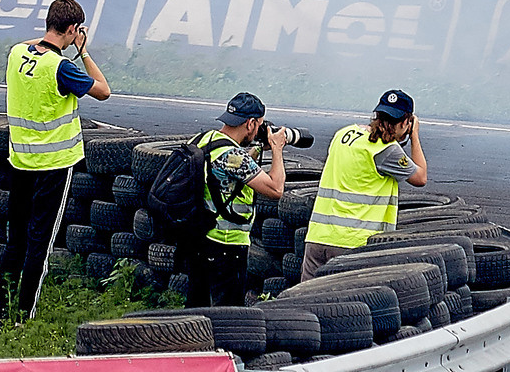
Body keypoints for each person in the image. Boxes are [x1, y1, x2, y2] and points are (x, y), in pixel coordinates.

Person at [0, 0, 110, 323]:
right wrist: (83, 50)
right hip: (54, 166)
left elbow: (37, 43)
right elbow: (103, 91)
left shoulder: (18, 52)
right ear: (74, 29)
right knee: (39, 246)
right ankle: (23, 317)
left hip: (20, 162)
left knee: (15, 241)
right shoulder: (62, 68)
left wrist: (58, 38)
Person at [172, 91, 292, 309]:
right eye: (259, 125)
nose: (259, 130)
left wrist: (257, 148)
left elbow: (230, 169)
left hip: (198, 238)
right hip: (226, 244)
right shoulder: (233, 156)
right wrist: (277, 149)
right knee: (227, 315)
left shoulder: (203, 140)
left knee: (197, 310)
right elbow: (276, 189)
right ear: (251, 123)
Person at [302, 88, 428, 280]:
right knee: (348, 307)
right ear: (406, 122)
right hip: (353, 244)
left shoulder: (344, 134)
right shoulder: (386, 150)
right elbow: (420, 177)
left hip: (318, 237)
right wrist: (415, 136)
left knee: (307, 303)